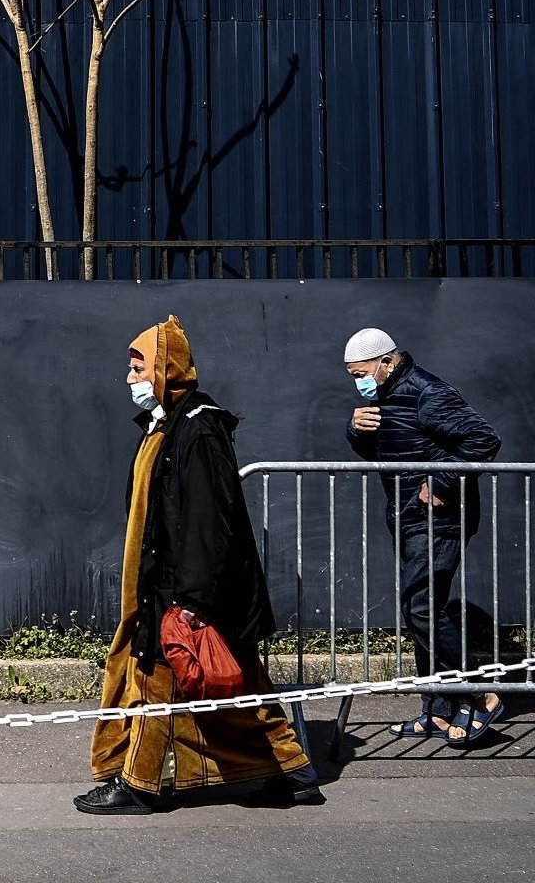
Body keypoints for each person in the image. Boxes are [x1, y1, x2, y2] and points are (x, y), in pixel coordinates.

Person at [75, 314, 322, 814]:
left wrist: (190, 600)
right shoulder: (169, 426)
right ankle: (295, 774)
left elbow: (209, 522)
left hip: (187, 590)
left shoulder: (198, 429)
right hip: (188, 587)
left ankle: (138, 785)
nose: (130, 378)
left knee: (154, 681)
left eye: (138, 368)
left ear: (166, 369)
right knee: (245, 686)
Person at [343, 326, 503, 746]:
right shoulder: (385, 394)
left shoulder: (427, 391)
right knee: (418, 609)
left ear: (387, 362)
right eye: (352, 375)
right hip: (409, 515)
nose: (358, 382)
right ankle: (438, 709)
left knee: (421, 607)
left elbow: (484, 439)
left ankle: (481, 695)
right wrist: (357, 431)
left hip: (440, 518)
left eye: (362, 372)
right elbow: (387, 451)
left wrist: (443, 481)